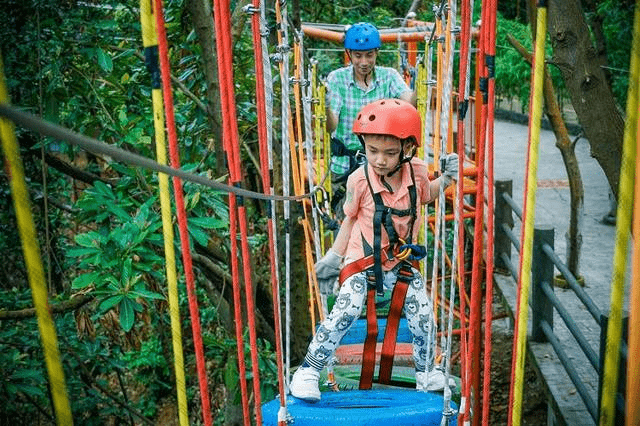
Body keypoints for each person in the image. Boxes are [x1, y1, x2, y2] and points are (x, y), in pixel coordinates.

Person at [290, 99, 458, 402]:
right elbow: (350, 219)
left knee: (423, 317)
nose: (379, 160)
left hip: (403, 263)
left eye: (390, 153)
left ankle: (425, 372)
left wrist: (444, 180)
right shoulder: (359, 180)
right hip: (363, 260)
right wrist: (335, 258)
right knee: (346, 310)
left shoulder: (417, 172)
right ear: (363, 147)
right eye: (372, 151)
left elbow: (426, 196)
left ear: (407, 150)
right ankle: (308, 370)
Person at [325, 22, 416, 214]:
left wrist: (411, 94)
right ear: (349, 53)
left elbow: (408, 101)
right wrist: (323, 108)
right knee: (347, 218)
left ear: (376, 53)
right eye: (358, 55)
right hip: (346, 164)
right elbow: (330, 124)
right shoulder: (337, 79)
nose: (364, 62)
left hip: (382, 164)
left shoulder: (389, 76)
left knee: (384, 221)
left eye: (369, 55)